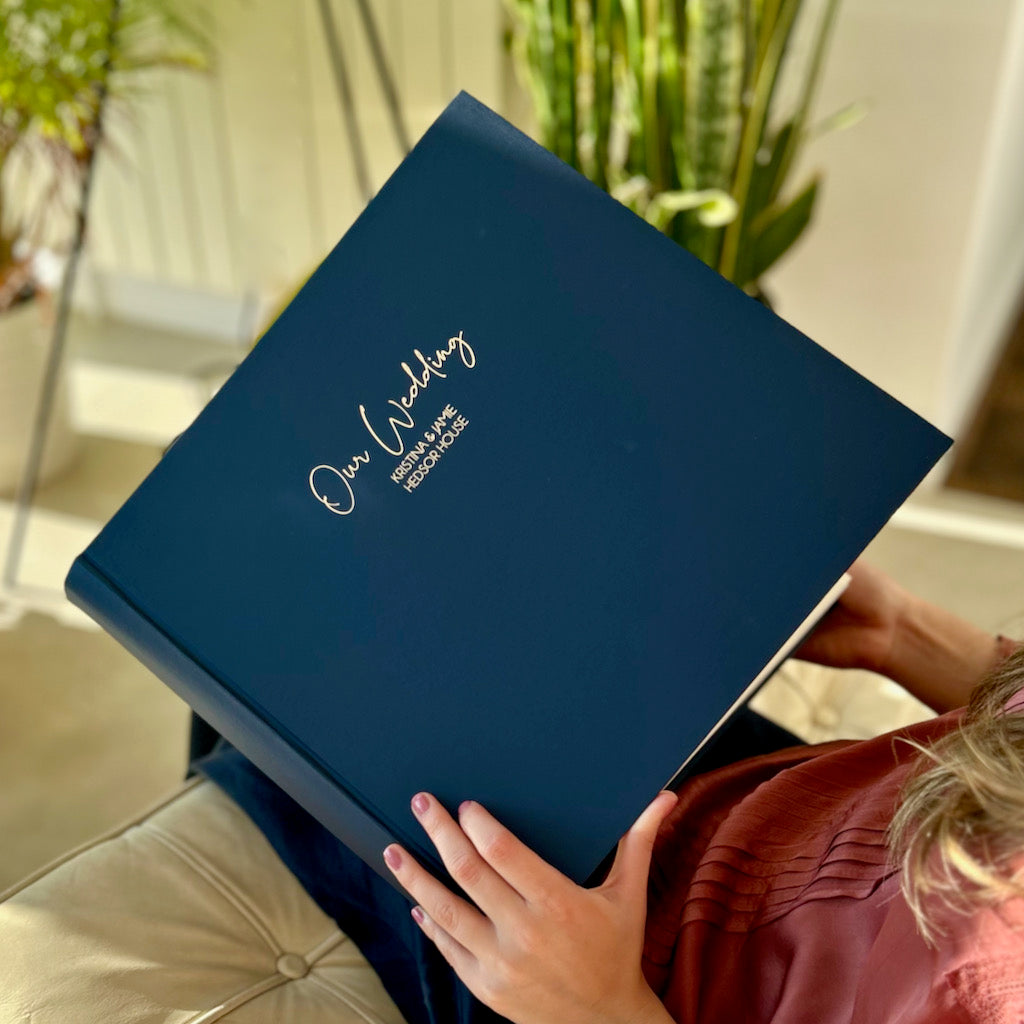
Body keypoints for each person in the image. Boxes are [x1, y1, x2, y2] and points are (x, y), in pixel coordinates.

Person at [196, 562, 1024, 1023]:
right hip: (753, 804)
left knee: (270, 691)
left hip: (602, 978)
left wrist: (598, 1008)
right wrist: (903, 634)